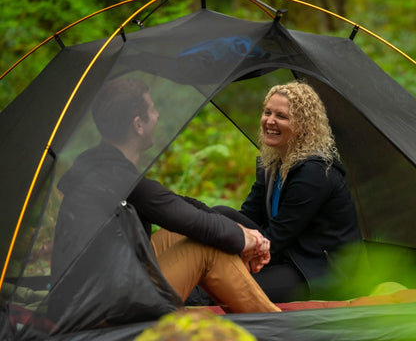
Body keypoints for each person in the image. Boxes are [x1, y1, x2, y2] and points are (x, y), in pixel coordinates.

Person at [50, 77, 279, 326]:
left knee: (183, 235)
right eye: (152, 109)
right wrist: (249, 240)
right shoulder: (117, 177)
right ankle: (277, 326)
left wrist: (241, 233)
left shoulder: (102, 164)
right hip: (101, 314)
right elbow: (192, 220)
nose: (158, 116)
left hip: (101, 289)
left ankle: (260, 312)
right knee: (206, 247)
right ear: (138, 124)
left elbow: (178, 206)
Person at [215, 81, 362, 302]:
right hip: (287, 254)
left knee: (226, 284)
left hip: (319, 271)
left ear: (303, 125)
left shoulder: (314, 173)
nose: (270, 121)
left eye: (281, 116)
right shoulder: (273, 165)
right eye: (267, 112)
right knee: (220, 214)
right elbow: (247, 217)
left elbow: (278, 237)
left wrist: (237, 258)